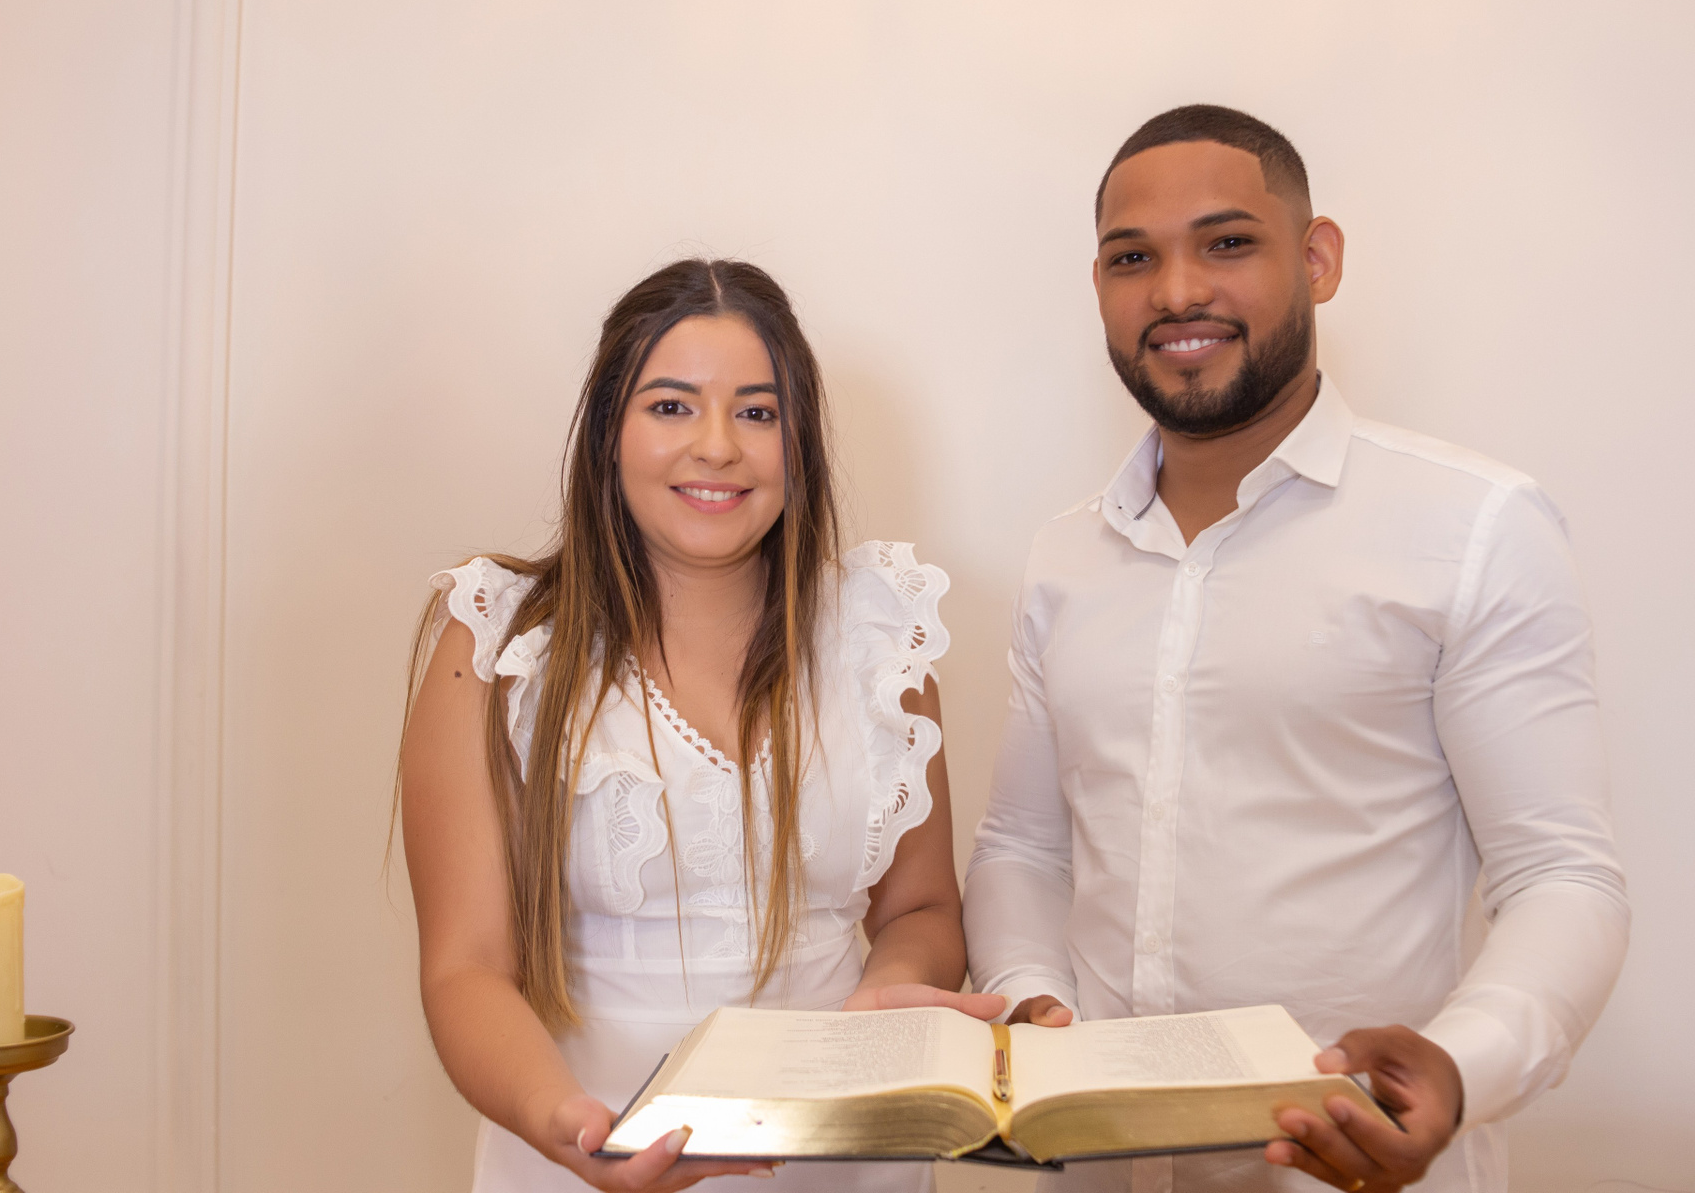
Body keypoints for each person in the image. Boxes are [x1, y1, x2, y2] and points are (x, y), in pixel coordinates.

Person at [964, 106, 1630, 1193]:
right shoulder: (1063, 556)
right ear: (1100, 286)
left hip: (1353, 1162)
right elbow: (1023, 848)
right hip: (1098, 1164)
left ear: (1317, 259)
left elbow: (1561, 873)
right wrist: (1035, 997)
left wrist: (1460, 1068)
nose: (1177, 290)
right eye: (1134, 258)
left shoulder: (1474, 526)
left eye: (1227, 242)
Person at [399, 258, 1002, 1193]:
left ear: (800, 443)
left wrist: (884, 999)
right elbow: (466, 969)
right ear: (609, 431)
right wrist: (569, 1128)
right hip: (584, 1148)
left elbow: (921, 910)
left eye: (758, 412)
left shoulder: (879, 635)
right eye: (672, 406)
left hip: (844, 1155)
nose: (717, 446)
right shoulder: (497, 643)